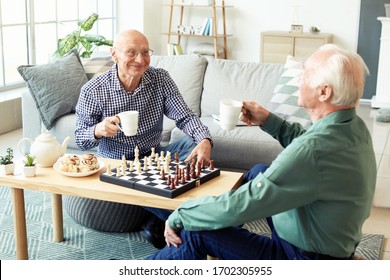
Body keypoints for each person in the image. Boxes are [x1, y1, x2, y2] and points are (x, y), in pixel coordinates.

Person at [146, 44, 377, 260]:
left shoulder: (313, 150)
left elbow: (248, 201)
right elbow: (309, 148)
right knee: (259, 172)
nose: (298, 79)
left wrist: (183, 214)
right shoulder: (353, 128)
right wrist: (267, 120)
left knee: (197, 233)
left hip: (302, 257)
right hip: (329, 242)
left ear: (324, 92)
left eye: (305, 75)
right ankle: (213, 222)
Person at [67, 29, 213, 248]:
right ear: (114, 54)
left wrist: (204, 140)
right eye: (131, 52)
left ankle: (158, 220)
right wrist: (98, 130)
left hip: (154, 155)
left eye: (145, 52)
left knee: (194, 145)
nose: (140, 59)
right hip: (118, 165)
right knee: (138, 178)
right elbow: (81, 139)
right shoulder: (93, 90)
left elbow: (185, 116)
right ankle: (187, 221)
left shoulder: (160, 78)